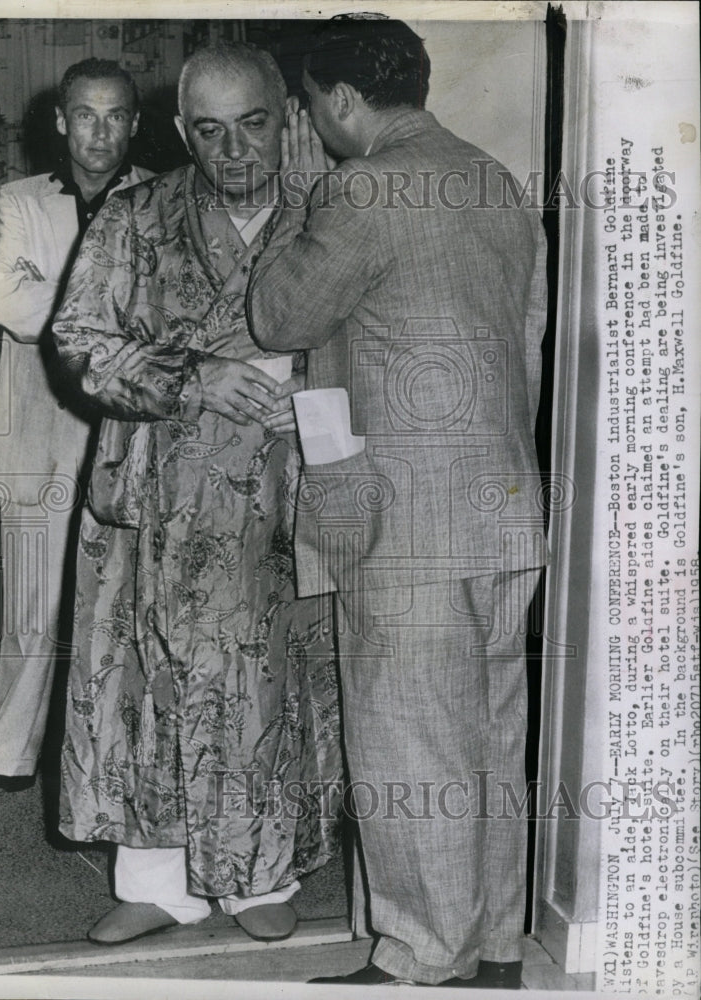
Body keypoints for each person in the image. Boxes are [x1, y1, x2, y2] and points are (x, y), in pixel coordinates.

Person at [248, 19, 548, 989]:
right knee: (490, 742)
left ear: (337, 101)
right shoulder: (494, 180)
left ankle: (421, 957)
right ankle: (494, 945)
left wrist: (296, 198)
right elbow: (527, 338)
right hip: (503, 504)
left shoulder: (355, 187)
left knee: (408, 743)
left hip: (408, 524)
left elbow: (278, 314)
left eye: (305, 104)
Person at [51, 41, 341, 945]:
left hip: (279, 500)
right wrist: (191, 376)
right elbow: (77, 339)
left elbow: (387, 347)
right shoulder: (135, 216)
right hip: (150, 499)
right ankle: (156, 883)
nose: (233, 151)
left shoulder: (331, 215)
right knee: (146, 684)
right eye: (209, 132)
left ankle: (262, 878)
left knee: (264, 686)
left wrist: (319, 395)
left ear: (286, 115)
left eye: (253, 125)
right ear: (181, 131)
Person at [0, 58, 152, 802]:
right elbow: (12, 309)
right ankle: (7, 754)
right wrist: (112, 310)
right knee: (30, 606)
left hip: (131, 432)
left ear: (135, 124)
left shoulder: (163, 199)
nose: (100, 132)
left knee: (124, 603)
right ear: (60, 120)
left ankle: (105, 758)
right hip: (40, 429)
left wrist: (58, 292)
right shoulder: (15, 200)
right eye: (86, 115)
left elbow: (166, 313)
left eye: (115, 117)